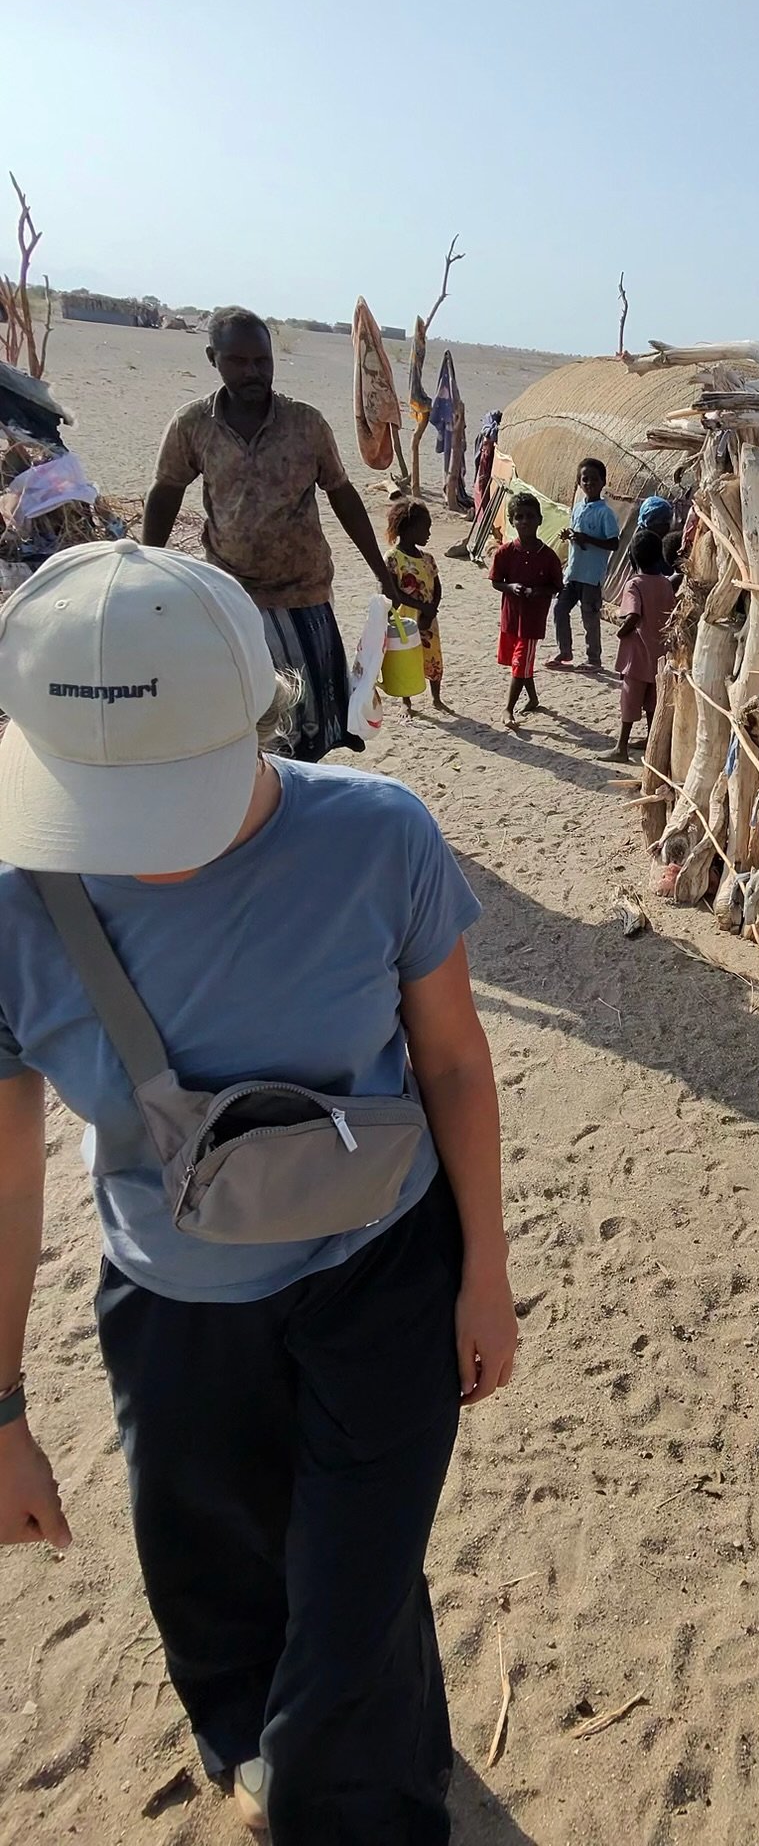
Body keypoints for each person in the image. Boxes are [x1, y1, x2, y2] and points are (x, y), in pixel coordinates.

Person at [0, 540, 518, 1844]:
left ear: (267, 709)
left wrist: (487, 1275)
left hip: (384, 1276)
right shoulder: (12, 902)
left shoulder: (380, 834)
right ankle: (282, 1747)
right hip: (174, 1311)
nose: (152, 851)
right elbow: (4, 1159)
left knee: (348, 1610)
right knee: (219, 1586)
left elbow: (454, 1061)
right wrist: (0, 1406)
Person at [142, 306, 402, 764]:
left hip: (305, 593)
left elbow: (342, 495)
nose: (253, 372)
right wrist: (143, 567)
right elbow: (166, 492)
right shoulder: (192, 425)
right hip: (233, 593)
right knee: (251, 713)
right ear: (213, 358)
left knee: (313, 718)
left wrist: (381, 571)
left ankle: (298, 797)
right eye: (238, 361)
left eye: (262, 361)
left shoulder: (306, 424)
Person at [604, 530, 677, 764]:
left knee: (630, 701)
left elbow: (633, 615)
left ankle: (621, 747)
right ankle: (651, 742)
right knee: (653, 704)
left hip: (636, 657)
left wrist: (621, 630)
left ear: (633, 560)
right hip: (660, 655)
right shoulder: (666, 584)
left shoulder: (634, 584)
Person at [490, 493, 563, 726]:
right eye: (519, 517)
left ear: (540, 520)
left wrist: (537, 591)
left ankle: (507, 709)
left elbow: (556, 586)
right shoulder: (504, 553)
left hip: (532, 621)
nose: (524, 521)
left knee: (520, 663)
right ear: (511, 521)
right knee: (519, 662)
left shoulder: (548, 557)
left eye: (530, 516)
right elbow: (496, 581)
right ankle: (532, 699)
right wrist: (510, 587)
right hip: (511, 618)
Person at [547, 458, 620, 670]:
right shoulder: (578, 508)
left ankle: (594, 659)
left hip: (591, 576)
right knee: (560, 609)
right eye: (584, 479)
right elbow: (576, 534)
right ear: (579, 482)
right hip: (573, 573)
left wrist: (587, 539)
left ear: (603, 482)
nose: (589, 483)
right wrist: (569, 536)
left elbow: (614, 542)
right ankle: (565, 651)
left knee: (590, 618)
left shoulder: (605, 513)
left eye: (594, 479)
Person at [386, 499, 447, 715]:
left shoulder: (427, 559)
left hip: (429, 618)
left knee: (433, 655)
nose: (429, 533)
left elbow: (437, 586)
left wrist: (431, 610)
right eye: (426, 529)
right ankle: (406, 701)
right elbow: (392, 591)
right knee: (406, 656)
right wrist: (422, 607)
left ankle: (436, 698)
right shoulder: (393, 558)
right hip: (406, 618)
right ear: (410, 529)